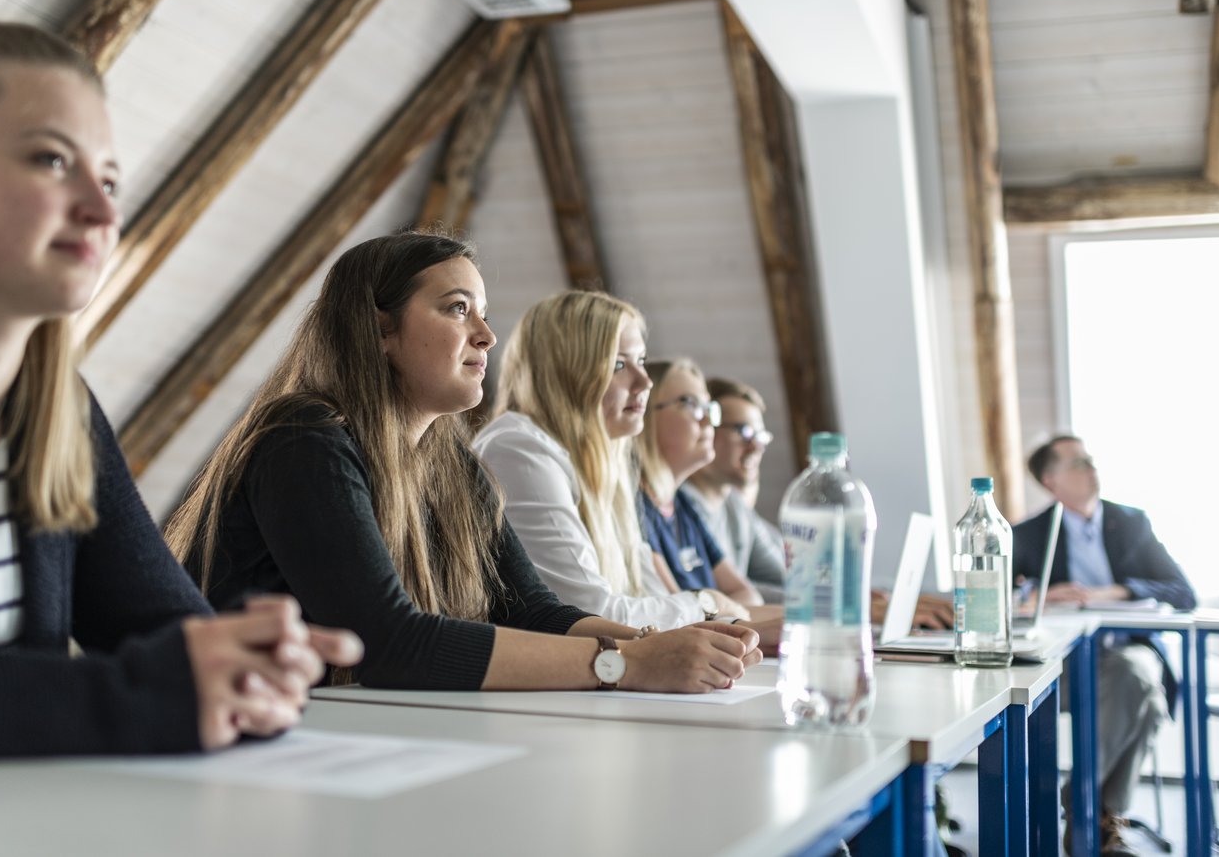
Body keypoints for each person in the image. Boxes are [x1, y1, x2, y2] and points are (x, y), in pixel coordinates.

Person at [0, 21, 360, 760]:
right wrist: (134, 698)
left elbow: (167, 629)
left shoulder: (60, 413)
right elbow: (145, 687)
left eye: (109, 180)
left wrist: (246, 663)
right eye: (51, 160)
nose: (103, 212)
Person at [167, 233, 760, 693]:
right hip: (230, 747)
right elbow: (388, 643)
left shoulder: (452, 465)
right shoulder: (304, 439)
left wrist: (669, 644)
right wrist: (625, 663)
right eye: (457, 309)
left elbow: (532, 611)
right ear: (379, 330)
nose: (486, 336)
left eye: (483, 313)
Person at [474, 291, 757, 631]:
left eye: (641, 361)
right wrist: (706, 604)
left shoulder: (606, 464)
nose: (645, 382)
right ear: (568, 372)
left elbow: (648, 595)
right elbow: (589, 614)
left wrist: (726, 621)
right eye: (619, 365)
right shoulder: (519, 449)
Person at [1015, 435, 1196, 856]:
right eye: (1078, 463)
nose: (1091, 468)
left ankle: (1084, 805)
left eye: (1090, 459)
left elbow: (1181, 591)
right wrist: (1040, 595)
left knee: (1136, 676)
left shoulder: (1131, 523)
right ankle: (1100, 818)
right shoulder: (1029, 534)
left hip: (1126, 652)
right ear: (1050, 480)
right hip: (1062, 664)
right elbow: (1000, 598)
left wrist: (1118, 591)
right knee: (1149, 699)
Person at [681, 378, 954, 630]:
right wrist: (850, 606)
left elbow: (796, 573)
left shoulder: (734, 507)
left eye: (761, 436)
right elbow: (727, 599)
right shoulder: (682, 510)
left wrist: (875, 598)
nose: (757, 446)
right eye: (744, 431)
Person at [635, 361, 784, 636]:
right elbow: (681, 617)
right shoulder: (637, 507)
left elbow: (746, 594)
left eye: (708, 408)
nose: (707, 421)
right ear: (644, 414)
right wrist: (720, 607)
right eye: (689, 404)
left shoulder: (682, 506)